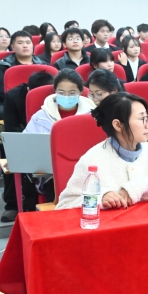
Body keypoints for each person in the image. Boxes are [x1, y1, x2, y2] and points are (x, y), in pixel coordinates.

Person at [56, 93, 148, 209]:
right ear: (118, 125)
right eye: (142, 119)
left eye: (147, 117)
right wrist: (101, 197)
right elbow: (65, 205)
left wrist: (136, 188)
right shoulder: (92, 160)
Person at [1, 71, 55, 221]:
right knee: (11, 155)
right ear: (29, 90)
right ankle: (12, 205)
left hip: (49, 138)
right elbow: (11, 127)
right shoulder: (13, 96)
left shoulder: (55, 99)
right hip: (26, 136)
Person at [24, 68, 96, 133]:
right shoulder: (40, 117)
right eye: (61, 92)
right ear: (55, 91)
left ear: (80, 92)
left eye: (72, 93)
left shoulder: (93, 116)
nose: (66, 96)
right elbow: (26, 140)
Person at [0, 31, 48, 109]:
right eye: (20, 43)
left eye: (28, 43)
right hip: (12, 105)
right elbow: (2, 92)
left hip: (41, 104)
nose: (25, 46)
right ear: (12, 47)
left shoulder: (44, 65)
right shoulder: (4, 66)